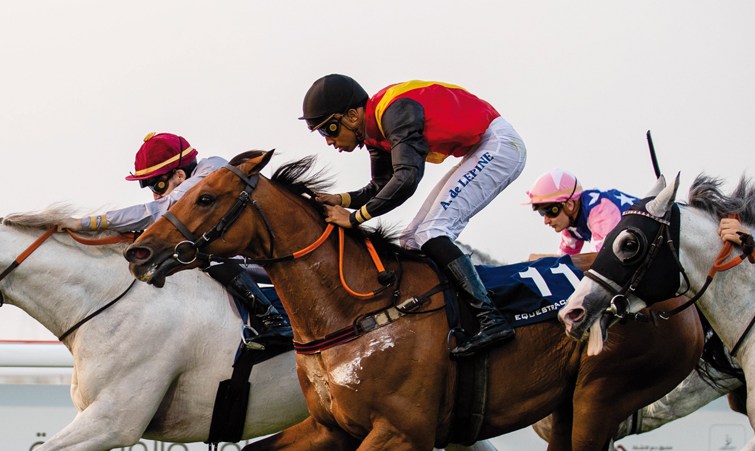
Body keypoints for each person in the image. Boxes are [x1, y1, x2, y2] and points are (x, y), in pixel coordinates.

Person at [300, 74, 526, 357]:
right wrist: (342, 199)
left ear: (353, 115)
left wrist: (355, 218)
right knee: (411, 240)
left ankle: (491, 319)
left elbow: (407, 179)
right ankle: (449, 316)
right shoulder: (374, 132)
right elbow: (382, 184)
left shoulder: (395, 112)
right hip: (481, 148)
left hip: (500, 145)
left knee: (432, 231)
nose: (330, 141)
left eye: (329, 129)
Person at [60, 132, 292, 349]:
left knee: (202, 254)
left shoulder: (212, 172)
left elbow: (157, 210)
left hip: (281, 256)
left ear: (180, 175)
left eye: (158, 185)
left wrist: (85, 224)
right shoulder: (198, 179)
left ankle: (272, 317)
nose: (155, 194)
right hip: (254, 258)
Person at [523, 169, 637, 259]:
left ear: (569, 205)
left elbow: (599, 263)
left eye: (550, 211)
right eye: (541, 213)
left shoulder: (601, 210)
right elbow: (563, 261)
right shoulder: (571, 222)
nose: (546, 221)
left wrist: (539, 260)